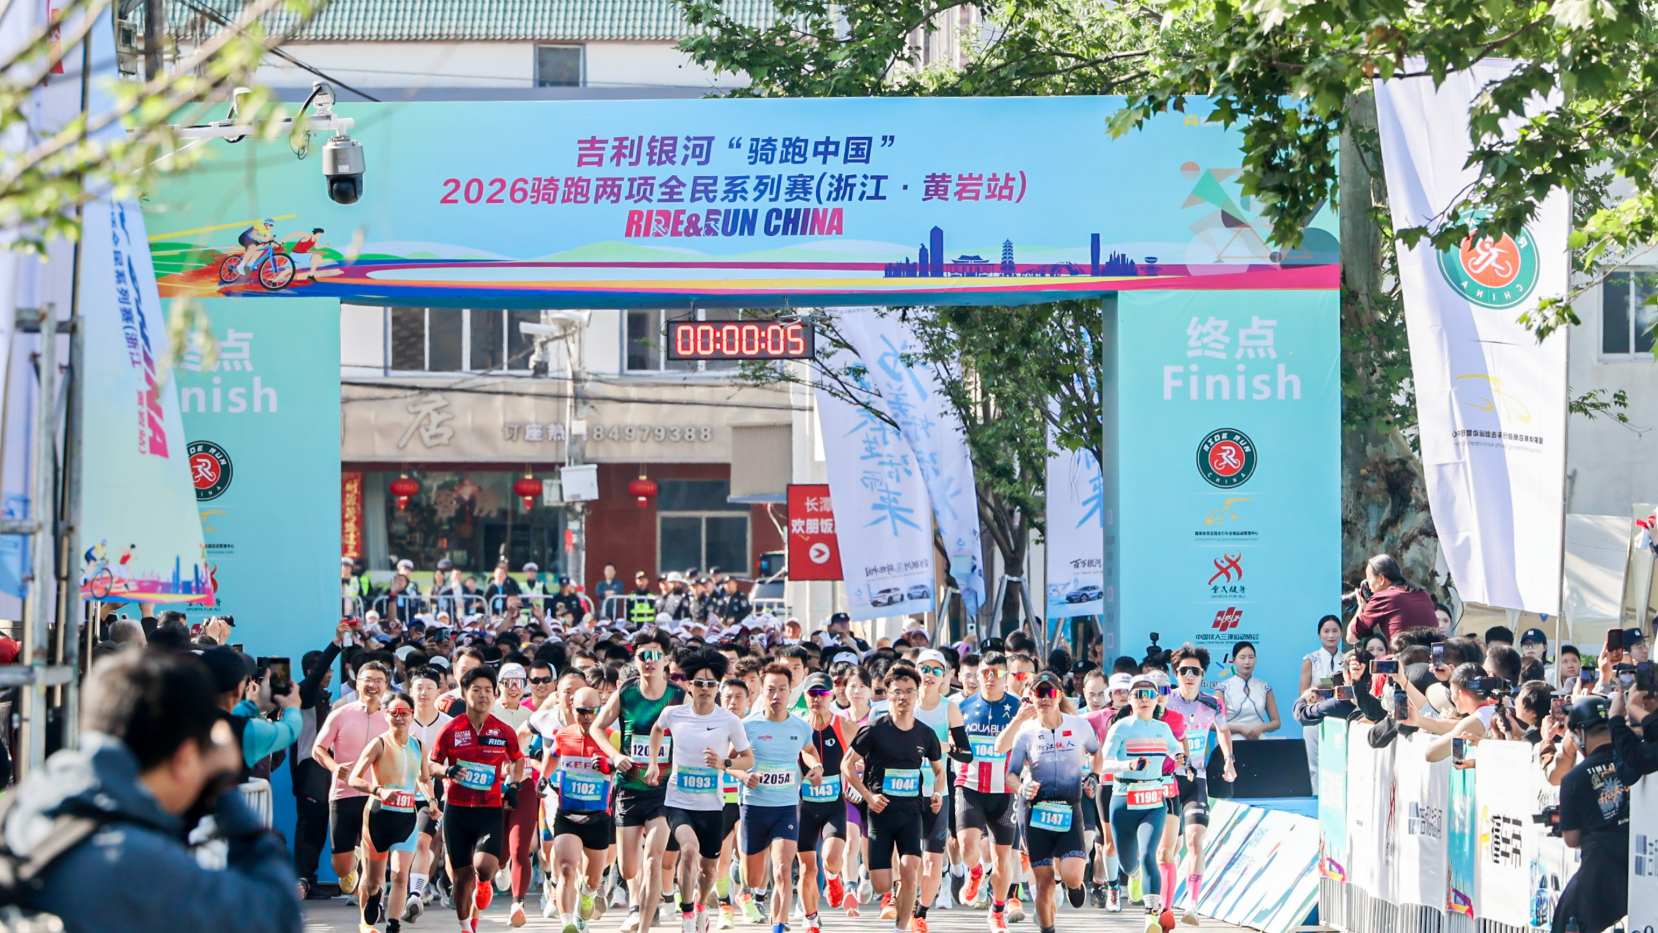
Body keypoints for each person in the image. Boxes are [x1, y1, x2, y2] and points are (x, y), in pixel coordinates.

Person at [0, 650, 303, 933]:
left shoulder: (24, 803)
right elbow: (278, 915)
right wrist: (224, 785)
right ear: (185, 758)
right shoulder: (138, 860)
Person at [645, 648, 754, 933]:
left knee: (708, 871)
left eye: (711, 683)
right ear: (689, 685)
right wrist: (654, 762)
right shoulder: (673, 714)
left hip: (712, 806)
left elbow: (748, 759)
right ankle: (687, 913)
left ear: (718, 687)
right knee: (689, 850)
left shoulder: (729, 720)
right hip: (678, 801)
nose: (705, 688)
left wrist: (724, 763)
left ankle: (702, 906)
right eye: (699, 683)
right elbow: (657, 730)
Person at [590, 628, 685, 933]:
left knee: (654, 860)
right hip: (629, 788)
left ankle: (644, 922)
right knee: (629, 868)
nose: (650, 661)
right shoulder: (626, 693)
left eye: (656, 655)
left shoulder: (679, 696)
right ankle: (628, 893)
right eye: (644, 655)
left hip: (663, 790)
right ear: (636, 659)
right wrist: (615, 755)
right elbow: (596, 728)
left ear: (666, 660)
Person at [843, 664, 946, 933]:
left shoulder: (926, 734)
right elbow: (846, 764)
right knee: (881, 885)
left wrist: (937, 793)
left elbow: (939, 770)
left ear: (917, 693)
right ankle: (887, 886)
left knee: (911, 869)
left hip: (911, 812)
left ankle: (901, 928)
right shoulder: (875, 729)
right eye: (897, 691)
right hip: (880, 813)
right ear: (888, 694)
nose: (904, 697)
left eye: (909, 691)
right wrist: (868, 796)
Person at [430, 665, 526, 933]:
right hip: (457, 811)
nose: (482, 695)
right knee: (461, 877)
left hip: (489, 810)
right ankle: (466, 927)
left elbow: (517, 760)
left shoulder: (504, 731)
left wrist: (514, 785)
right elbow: (432, 764)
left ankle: (484, 883)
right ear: (464, 694)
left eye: (487, 690)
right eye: (476, 690)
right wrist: (446, 771)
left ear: (495, 695)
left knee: (484, 867)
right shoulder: (450, 729)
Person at [1004, 671, 1102, 933]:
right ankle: (1048, 929)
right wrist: (1022, 787)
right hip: (1035, 811)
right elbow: (1011, 774)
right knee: (1044, 881)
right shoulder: (1025, 733)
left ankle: (1072, 885)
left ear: (1059, 696)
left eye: (1050, 692)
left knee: (1072, 876)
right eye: (1039, 692)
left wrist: (1093, 776)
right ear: (1031, 697)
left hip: (1070, 809)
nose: (1045, 698)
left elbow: (1096, 752)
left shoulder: (1079, 726)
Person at [729, 663, 821, 933]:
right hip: (754, 807)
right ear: (761, 691)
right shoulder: (747, 725)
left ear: (790, 691)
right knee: (753, 878)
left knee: (782, 870)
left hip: (786, 808)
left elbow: (809, 750)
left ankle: (779, 926)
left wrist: (816, 766)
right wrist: (743, 776)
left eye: (782, 689)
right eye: (770, 689)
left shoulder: (800, 726)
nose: (776, 695)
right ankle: (743, 875)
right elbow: (727, 761)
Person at [348, 691, 440, 933]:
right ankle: (373, 897)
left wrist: (432, 801)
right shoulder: (378, 744)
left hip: (406, 819)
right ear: (385, 715)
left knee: (400, 875)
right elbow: (353, 778)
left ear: (412, 715)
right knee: (374, 881)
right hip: (378, 817)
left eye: (404, 713)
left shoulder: (419, 746)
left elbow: (424, 778)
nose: (399, 717)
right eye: (394, 713)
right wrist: (378, 790)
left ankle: (393, 924)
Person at [1100, 676, 1183, 933]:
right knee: (1128, 863)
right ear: (1130, 699)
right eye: (1138, 694)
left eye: (1149, 694)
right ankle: (1133, 876)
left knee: (1149, 855)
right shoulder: (1121, 727)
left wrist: (1181, 758)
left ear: (1157, 699)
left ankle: (1151, 915)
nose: (1144, 699)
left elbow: (1175, 749)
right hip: (1124, 799)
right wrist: (1129, 765)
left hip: (1154, 801)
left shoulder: (1162, 728)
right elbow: (1104, 763)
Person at [1165, 646, 1237, 926]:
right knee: (1170, 847)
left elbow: (1223, 730)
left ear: (1203, 675)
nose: (1189, 675)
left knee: (1195, 838)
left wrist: (1228, 760)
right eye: (1184, 670)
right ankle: (1163, 900)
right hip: (1168, 779)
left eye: (1195, 671)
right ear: (1176, 674)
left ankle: (1192, 904)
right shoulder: (1165, 701)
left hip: (1197, 779)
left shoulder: (1213, 704)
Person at [312, 660, 393, 900]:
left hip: (377, 795)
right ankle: (351, 865)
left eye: (379, 681)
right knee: (341, 866)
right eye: (368, 680)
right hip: (343, 794)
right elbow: (318, 748)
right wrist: (334, 767)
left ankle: (373, 905)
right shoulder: (340, 714)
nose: (373, 685)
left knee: (376, 858)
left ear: (386, 686)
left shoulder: (392, 717)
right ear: (357, 683)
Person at [954, 650, 1022, 927]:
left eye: (997, 673)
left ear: (1006, 676)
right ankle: (974, 872)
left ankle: (997, 912)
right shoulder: (962, 707)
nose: (991, 678)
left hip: (1005, 792)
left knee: (1002, 857)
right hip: (970, 786)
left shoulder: (1018, 707)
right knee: (967, 845)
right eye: (985, 672)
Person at [1551, 696, 1629, 933]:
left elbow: (1572, 838)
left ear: (1578, 733)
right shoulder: (1636, 762)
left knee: (1567, 919)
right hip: (1643, 866)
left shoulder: (1573, 778)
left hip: (1599, 876)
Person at [543, 685, 615, 933]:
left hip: (598, 818)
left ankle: (587, 896)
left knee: (592, 880)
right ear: (572, 709)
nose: (587, 716)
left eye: (593, 711)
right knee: (566, 868)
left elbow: (628, 768)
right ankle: (567, 923)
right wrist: (543, 778)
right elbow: (552, 755)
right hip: (567, 815)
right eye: (582, 711)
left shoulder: (611, 737)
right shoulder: (563, 735)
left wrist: (609, 766)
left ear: (600, 710)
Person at [798, 672, 851, 933]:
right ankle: (811, 920)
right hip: (804, 807)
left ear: (831, 696)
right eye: (812, 693)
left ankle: (832, 877)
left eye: (822, 693)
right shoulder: (797, 727)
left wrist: (857, 782)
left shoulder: (845, 725)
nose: (817, 698)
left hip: (833, 805)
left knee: (830, 858)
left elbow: (862, 758)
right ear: (804, 696)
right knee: (807, 869)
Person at [1346, 554, 1438, 644]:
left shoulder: (1383, 598)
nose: (1368, 586)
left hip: (1405, 653)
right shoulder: (1424, 594)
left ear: (1381, 578)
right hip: (1434, 652)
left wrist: (1361, 607)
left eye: (1369, 580)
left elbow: (1351, 637)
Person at [1300, 616, 1344, 782]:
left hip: (1340, 716)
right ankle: (1315, 793)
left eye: (1335, 631)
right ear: (1319, 635)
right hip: (1314, 716)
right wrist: (1327, 683)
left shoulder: (1347, 659)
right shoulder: (1310, 659)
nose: (1330, 635)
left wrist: (1328, 683)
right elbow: (1303, 692)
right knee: (1312, 762)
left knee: (1338, 761)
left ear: (1341, 633)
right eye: (1326, 631)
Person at [1217, 642, 1280, 740]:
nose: (1247, 662)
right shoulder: (1223, 688)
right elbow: (1214, 723)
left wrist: (1261, 727)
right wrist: (1240, 729)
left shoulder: (1265, 687)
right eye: (1242, 657)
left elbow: (1276, 722)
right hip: (1231, 741)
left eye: (1251, 657)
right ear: (1234, 660)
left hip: (1259, 740)